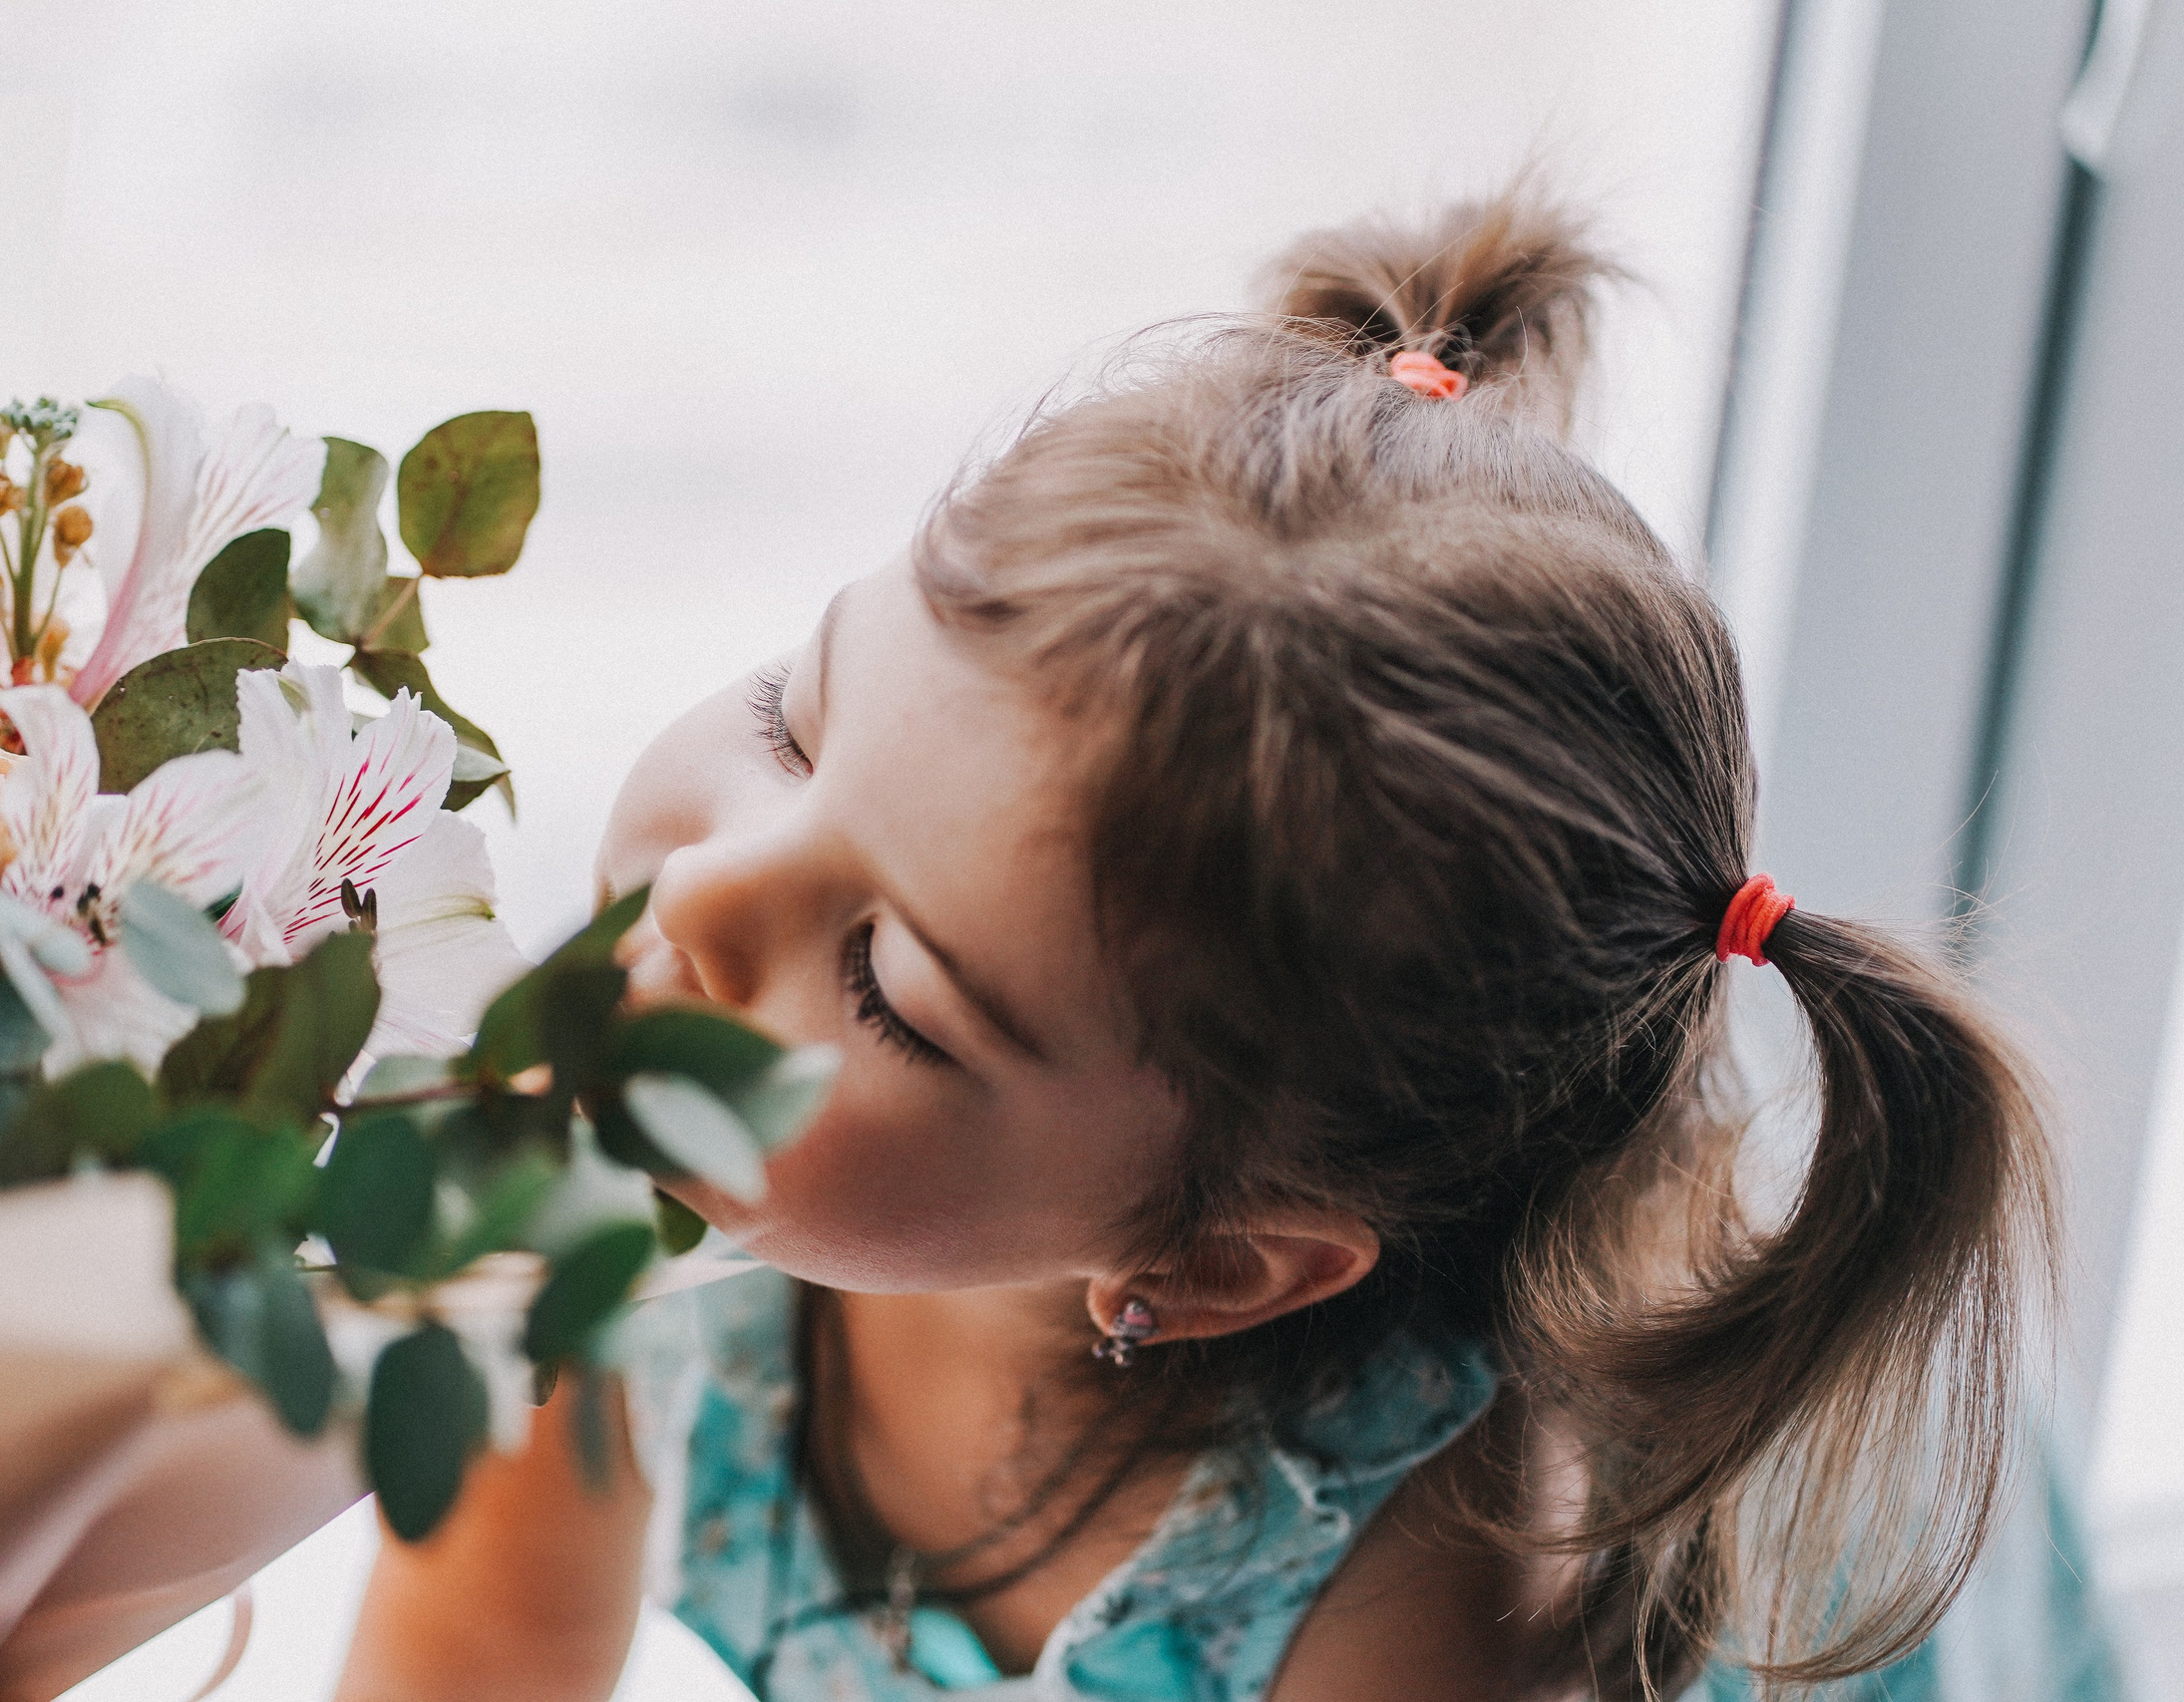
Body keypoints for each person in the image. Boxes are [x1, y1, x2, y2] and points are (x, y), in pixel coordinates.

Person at [337, 189, 2060, 1701]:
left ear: (1219, 1259)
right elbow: (470, 1665)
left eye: (893, 990)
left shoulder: (1417, 1600)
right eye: (796, 719)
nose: (704, 898)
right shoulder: (596, 1156)